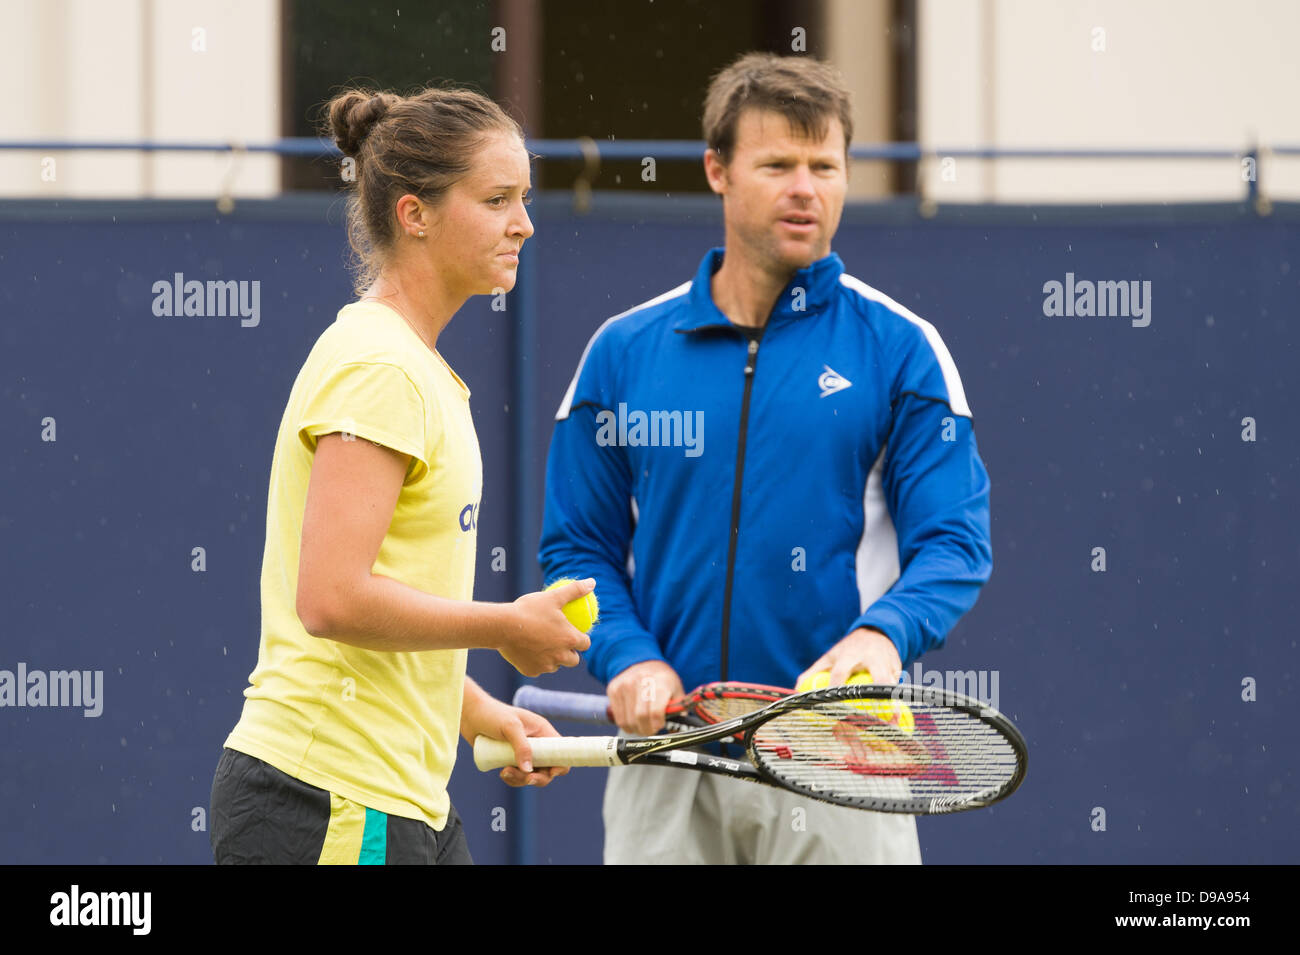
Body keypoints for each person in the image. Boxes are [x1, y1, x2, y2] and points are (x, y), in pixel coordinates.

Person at [538, 53, 993, 864]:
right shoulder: (621, 353)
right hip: (668, 757)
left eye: (826, 166)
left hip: (841, 750)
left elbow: (956, 545)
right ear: (717, 170)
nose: (806, 189)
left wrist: (884, 638)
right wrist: (627, 655)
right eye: (778, 164)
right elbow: (576, 550)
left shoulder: (904, 351)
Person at [210, 85, 592, 865]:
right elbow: (332, 598)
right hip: (332, 800)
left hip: (393, 804)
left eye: (523, 198)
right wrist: (505, 628)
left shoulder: (412, 367)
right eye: (496, 200)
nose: (524, 222)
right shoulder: (381, 367)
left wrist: (484, 712)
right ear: (414, 214)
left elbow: (380, 615)